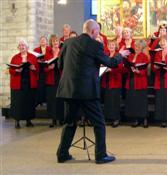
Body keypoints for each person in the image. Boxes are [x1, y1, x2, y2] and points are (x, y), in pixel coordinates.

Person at [56, 19, 130, 164]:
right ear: (93, 31)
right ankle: (100, 155)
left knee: (69, 123)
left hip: (69, 89)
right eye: (97, 31)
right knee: (99, 123)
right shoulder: (95, 45)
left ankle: (62, 154)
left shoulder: (68, 42)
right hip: (87, 91)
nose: (98, 34)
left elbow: (60, 64)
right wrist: (120, 54)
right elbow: (111, 63)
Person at [9, 40, 39, 129]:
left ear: (27, 47)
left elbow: (37, 70)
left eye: (23, 45)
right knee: (17, 103)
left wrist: (33, 68)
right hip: (18, 84)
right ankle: (17, 121)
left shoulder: (33, 57)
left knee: (29, 102)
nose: (22, 47)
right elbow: (11, 70)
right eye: (20, 45)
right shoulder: (15, 57)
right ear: (18, 48)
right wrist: (16, 70)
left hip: (29, 83)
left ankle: (28, 120)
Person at [124, 40, 150, 128]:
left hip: (140, 80)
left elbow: (146, 70)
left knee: (141, 101)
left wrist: (139, 71)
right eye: (136, 46)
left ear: (142, 47)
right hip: (131, 80)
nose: (137, 48)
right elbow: (126, 67)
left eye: (138, 47)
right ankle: (136, 119)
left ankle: (144, 119)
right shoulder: (130, 56)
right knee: (133, 100)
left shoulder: (144, 56)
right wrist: (128, 67)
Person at [100, 39, 123, 128]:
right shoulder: (105, 55)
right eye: (109, 45)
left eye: (113, 45)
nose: (111, 46)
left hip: (115, 80)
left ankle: (116, 119)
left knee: (115, 101)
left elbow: (121, 68)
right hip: (106, 81)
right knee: (108, 100)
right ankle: (109, 118)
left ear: (115, 46)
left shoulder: (118, 55)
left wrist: (112, 70)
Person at [45, 34, 64, 127]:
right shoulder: (48, 53)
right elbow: (44, 68)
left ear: (59, 42)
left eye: (57, 41)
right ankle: (53, 120)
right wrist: (49, 67)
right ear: (51, 43)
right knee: (52, 99)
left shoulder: (62, 51)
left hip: (60, 78)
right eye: (53, 41)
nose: (55, 43)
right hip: (51, 79)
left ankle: (61, 118)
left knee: (60, 99)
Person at [33, 36, 50, 106]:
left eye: (44, 40)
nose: (42, 41)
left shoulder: (49, 49)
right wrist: (38, 61)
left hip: (48, 69)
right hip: (39, 70)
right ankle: (39, 101)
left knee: (47, 86)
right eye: (41, 40)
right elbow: (33, 59)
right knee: (40, 85)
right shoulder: (36, 49)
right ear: (39, 42)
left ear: (46, 42)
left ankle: (46, 101)